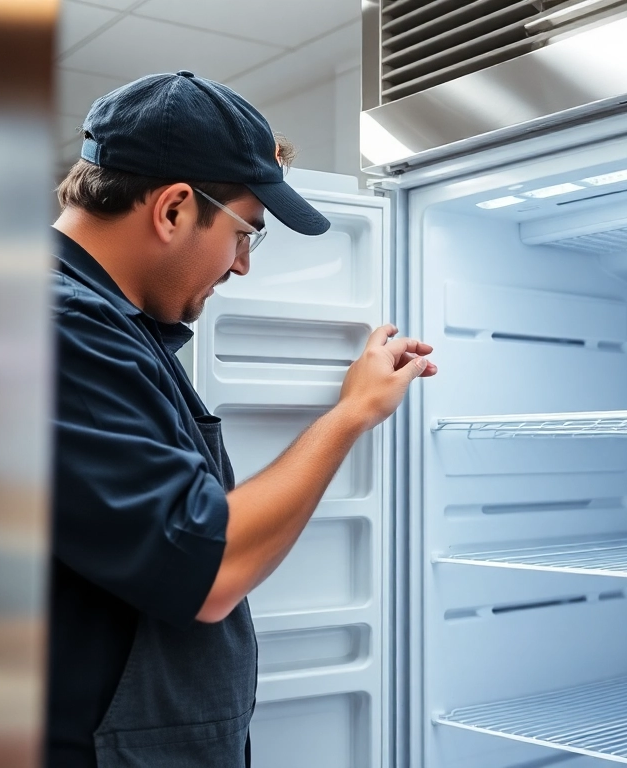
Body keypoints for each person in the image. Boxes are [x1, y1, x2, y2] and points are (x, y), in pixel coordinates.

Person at [46, 70, 436, 767]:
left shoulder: (106, 324)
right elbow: (209, 567)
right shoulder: (63, 329)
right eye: (245, 232)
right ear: (171, 210)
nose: (244, 265)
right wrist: (350, 415)